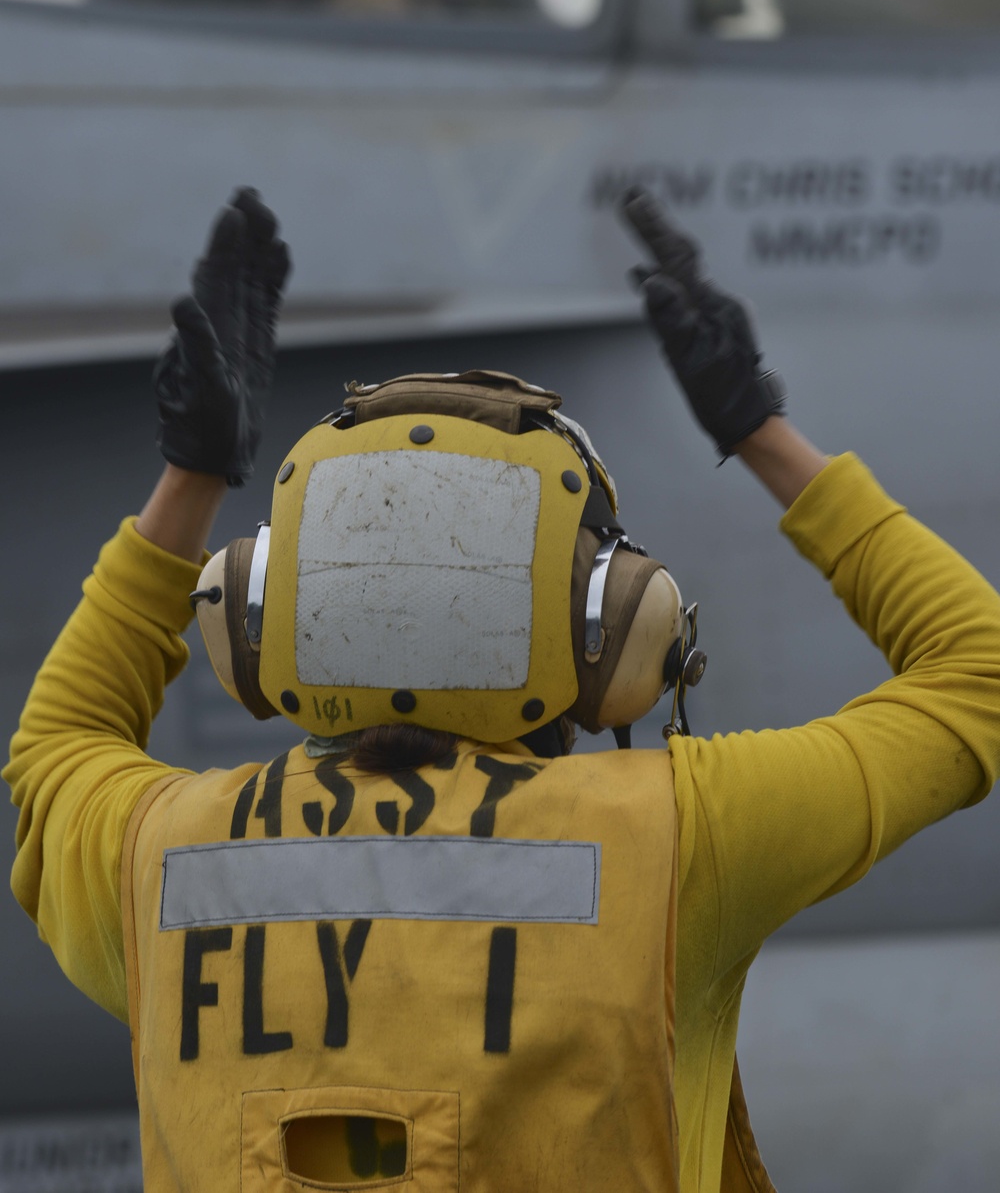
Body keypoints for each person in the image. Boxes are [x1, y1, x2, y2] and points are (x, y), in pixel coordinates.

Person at [6, 185, 1000, 1193]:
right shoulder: (677, 839)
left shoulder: (160, 858)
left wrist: (190, 478)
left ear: (256, 608)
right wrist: (761, 435)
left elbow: (50, 754)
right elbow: (978, 675)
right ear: (610, 627)